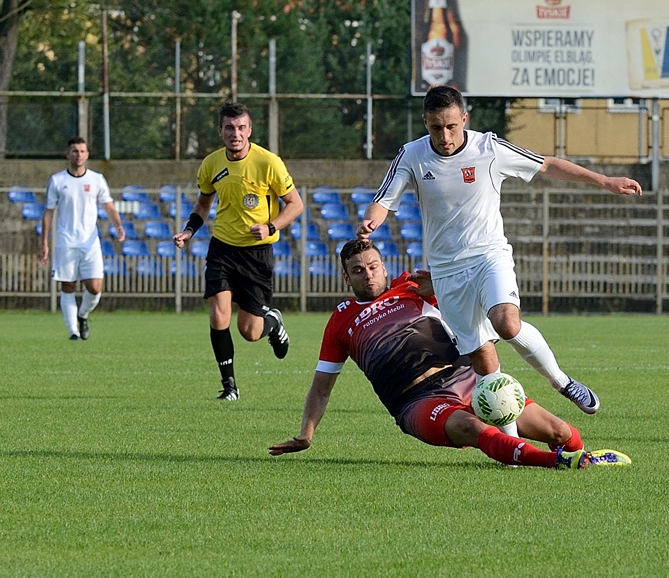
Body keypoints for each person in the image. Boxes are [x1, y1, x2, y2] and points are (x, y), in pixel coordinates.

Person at [357, 85, 642, 425]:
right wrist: (372, 219)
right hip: (447, 271)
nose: (445, 135)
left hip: (488, 256)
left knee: (506, 323)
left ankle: (561, 381)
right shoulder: (412, 155)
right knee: (484, 359)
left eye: (451, 126)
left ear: (464, 118)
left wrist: (604, 181)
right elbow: (384, 199)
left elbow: (547, 165)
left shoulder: (489, 148)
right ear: (425, 122)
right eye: (436, 127)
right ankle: (512, 446)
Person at [269, 240, 631, 469]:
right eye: (358, 271)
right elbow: (321, 387)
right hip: (416, 402)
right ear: (347, 278)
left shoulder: (414, 287)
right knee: (471, 428)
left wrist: (442, 286)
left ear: (384, 266)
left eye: (373, 266)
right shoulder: (341, 321)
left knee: (559, 431)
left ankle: (577, 453)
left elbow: (468, 303)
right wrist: (307, 433)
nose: (368, 275)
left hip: (469, 381)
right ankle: (559, 464)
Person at [173, 101, 304, 401]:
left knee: (249, 331)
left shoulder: (269, 162)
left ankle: (273, 322)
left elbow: (295, 204)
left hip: (257, 254)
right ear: (220, 131)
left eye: (241, 127)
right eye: (229, 127)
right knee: (219, 316)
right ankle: (229, 386)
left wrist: (271, 226)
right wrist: (189, 231)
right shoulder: (211, 164)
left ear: (250, 130)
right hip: (222, 248)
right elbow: (203, 204)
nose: (236, 133)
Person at [39, 137, 126, 341]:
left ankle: (83, 315)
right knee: (68, 285)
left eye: (82, 151)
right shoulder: (58, 180)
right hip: (65, 242)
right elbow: (48, 212)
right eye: (75, 151)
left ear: (87, 154)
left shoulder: (96, 179)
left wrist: (119, 226)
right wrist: (44, 242)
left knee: (95, 287)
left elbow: (109, 206)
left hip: (90, 242)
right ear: (67, 154)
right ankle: (73, 331)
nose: (78, 155)